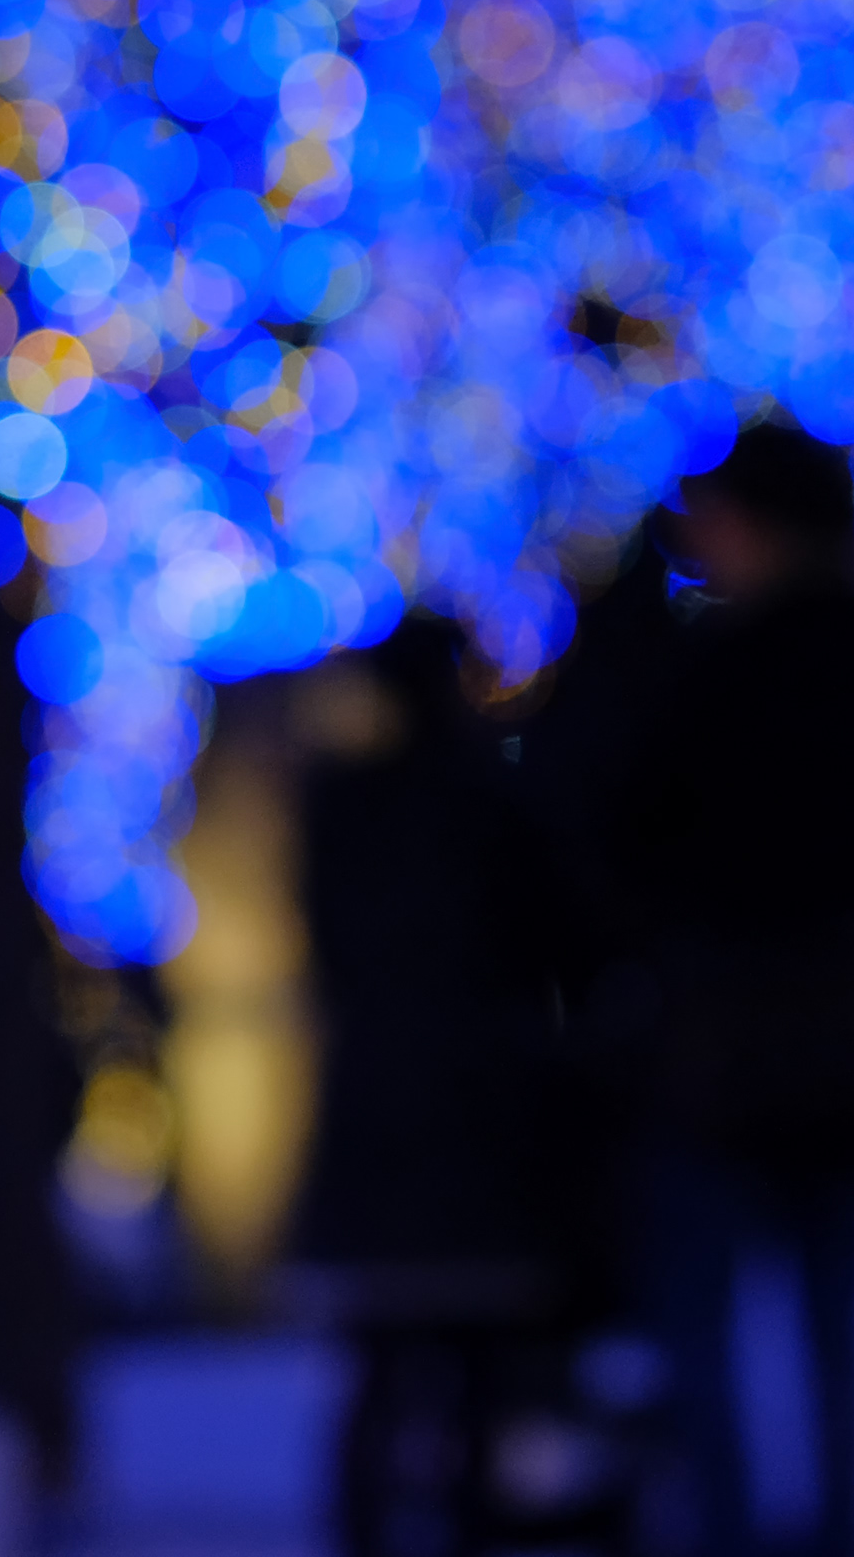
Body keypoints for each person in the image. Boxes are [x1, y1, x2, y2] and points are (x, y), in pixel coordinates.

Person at [621, 427, 854, 1557]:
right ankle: (835, 1526)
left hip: (729, 1040)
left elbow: (642, 829)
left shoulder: (721, 667)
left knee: (704, 1315)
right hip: (849, 1043)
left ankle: (728, 1526)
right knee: (830, 1319)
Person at [285, 616, 610, 1555]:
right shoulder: (495, 802)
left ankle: (370, 1536)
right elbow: (568, 946)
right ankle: (459, 1533)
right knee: (470, 1377)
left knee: (383, 1371)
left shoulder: (345, 809)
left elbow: (333, 952)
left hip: (388, 1118)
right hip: (482, 1121)